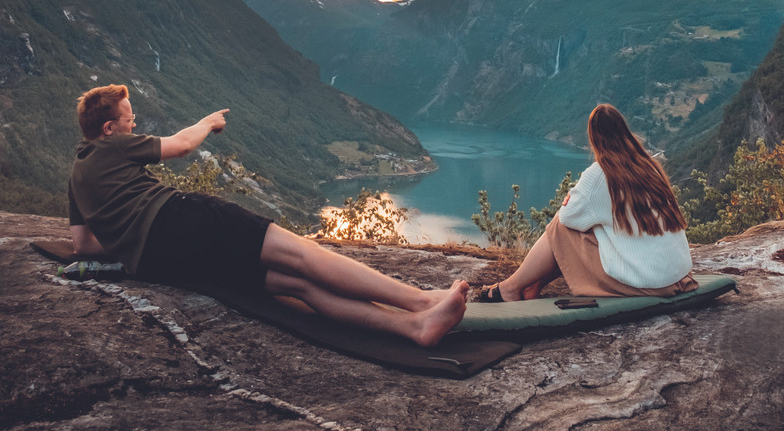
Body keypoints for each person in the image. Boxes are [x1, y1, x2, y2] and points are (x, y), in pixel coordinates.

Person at [68, 84, 468, 346]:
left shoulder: (77, 174)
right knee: (304, 255)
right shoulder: (112, 146)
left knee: (295, 285)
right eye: (129, 120)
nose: (135, 124)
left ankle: (414, 328)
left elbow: (83, 244)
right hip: (182, 219)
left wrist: (131, 239)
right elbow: (183, 145)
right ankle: (419, 302)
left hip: (161, 263)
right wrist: (208, 122)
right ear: (109, 128)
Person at [478, 103, 697, 302]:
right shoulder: (649, 166)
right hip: (676, 275)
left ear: (594, 138)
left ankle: (511, 287)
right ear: (624, 132)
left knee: (560, 226)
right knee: (586, 224)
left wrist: (571, 201)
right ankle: (532, 285)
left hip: (647, 283)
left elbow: (567, 218)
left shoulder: (601, 174)